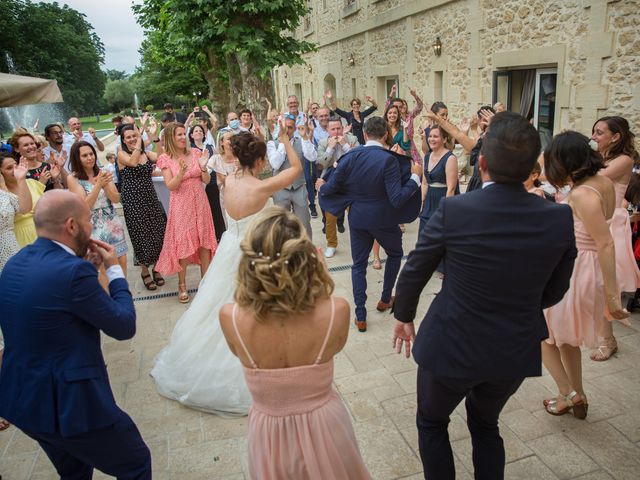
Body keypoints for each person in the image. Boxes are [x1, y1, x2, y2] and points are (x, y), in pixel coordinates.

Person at [391, 112, 577, 480]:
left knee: (431, 422)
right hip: (513, 347)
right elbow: (557, 287)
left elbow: (416, 266)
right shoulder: (557, 217)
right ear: (532, 167)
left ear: (482, 162)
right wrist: (519, 305)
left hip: (450, 343)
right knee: (486, 424)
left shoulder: (456, 209)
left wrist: (404, 315)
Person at [151, 121, 303, 415]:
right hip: (252, 253)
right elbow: (295, 169)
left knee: (219, 306)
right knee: (254, 308)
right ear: (258, 161)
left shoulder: (229, 179)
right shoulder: (261, 186)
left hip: (229, 248)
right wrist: (285, 139)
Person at [0, 190, 151, 479]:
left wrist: (86, 269)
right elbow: (123, 326)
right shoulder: (72, 273)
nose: (92, 226)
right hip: (71, 407)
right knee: (136, 462)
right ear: (71, 226)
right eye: (88, 220)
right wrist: (114, 271)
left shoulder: (15, 263)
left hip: (23, 401)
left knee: (75, 471)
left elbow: (51, 309)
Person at [219, 207, 371, 480]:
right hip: (325, 427)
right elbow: (334, 346)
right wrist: (321, 278)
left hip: (268, 433)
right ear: (306, 258)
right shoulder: (337, 311)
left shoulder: (230, 317)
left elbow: (237, 352)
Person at [542, 131, 630, 418]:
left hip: (577, 269)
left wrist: (613, 298)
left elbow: (605, 243)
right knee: (564, 339)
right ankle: (574, 393)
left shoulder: (581, 194)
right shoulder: (603, 182)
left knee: (540, 334)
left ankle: (569, 393)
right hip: (583, 265)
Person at [317, 116, 422, 332]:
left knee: (358, 265)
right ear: (385, 135)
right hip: (384, 219)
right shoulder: (388, 159)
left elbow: (329, 188)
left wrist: (321, 186)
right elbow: (397, 199)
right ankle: (385, 299)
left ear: (364, 134)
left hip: (359, 218)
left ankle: (361, 315)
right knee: (394, 255)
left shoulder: (350, 157)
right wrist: (415, 179)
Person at [589, 115, 640, 360]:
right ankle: (601, 334)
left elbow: (595, 180)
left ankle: (608, 340)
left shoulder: (624, 159)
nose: (594, 137)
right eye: (594, 132)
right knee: (593, 284)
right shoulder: (602, 158)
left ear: (616, 136)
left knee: (602, 285)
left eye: (599, 132)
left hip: (611, 226)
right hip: (596, 222)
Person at [155, 123, 217, 303]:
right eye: (179, 135)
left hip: (200, 202)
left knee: (204, 241)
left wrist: (204, 168)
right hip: (181, 205)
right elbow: (170, 186)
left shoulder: (196, 153)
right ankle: (182, 285)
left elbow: (205, 180)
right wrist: (181, 172)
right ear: (171, 138)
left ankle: (205, 282)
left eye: (184, 134)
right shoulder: (166, 159)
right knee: (183, 244)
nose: (183, 137)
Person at [67, 141, 128, 285]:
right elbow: (84, 206)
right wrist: (98, 185)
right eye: (84, 155)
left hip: (112, 221)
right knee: (100, 266)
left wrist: (106, 186)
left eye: (91, 154)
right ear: (77, 158)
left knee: (121, 260)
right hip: (91, 225)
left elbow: (116, 198)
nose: (90, 158)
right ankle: (107, 298)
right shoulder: (73, 178)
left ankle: (122, 292)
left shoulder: (104, 172)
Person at [118, 123, 167, 291]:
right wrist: (140, 141)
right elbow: (132, 162)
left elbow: (161, 157)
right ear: (123, 140)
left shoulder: (146, 153)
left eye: (134, 135)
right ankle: (145, 271)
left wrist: (154, 138)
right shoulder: (121, 154)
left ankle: (157, 268)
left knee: (157, 231)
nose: (132, 139)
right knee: (140, 235)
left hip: (150, 197)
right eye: (129, 137)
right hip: (132, 200)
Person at [309, 116, 359, 257]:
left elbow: (359, 160)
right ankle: (331, 244)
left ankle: (358, 242)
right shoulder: (323, 142)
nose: (336, 132)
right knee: (330, 216)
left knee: (355, 215)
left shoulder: (352, 140)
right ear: (327, 130)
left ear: (343, 128)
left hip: (350, 183)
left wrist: (345, 146)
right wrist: (330, 149)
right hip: (330, 182)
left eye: (339, 128)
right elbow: (319, 165)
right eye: (333, 129)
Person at [267, 114, 316, 238]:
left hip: (299, 186)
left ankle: (307, 252)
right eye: (284, 127)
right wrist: (284, 141)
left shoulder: (302, 141)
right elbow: (276, 164)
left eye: (290, 128)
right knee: (281, 224)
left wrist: (305, 137)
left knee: (304, 223)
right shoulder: (272, 144)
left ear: (295, 129)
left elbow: (312, 157)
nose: (287, 130)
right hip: (280, 189)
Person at [0, 153, 45, 247]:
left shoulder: (32, 183)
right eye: (9, 168)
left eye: (16, 166)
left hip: (43, 230)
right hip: (19, 238)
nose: (15, 170)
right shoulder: (2, 194)